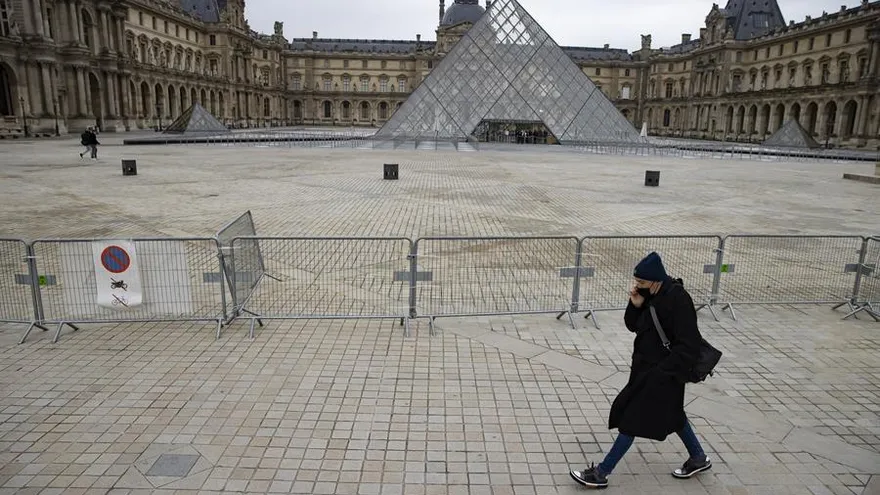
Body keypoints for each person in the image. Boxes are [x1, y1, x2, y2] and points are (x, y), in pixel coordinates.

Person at [570, 252, 711, 489]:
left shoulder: (678, 300)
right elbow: (633, 325)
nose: (638, 286)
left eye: (642, 283)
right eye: (637, 282)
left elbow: (689, 344)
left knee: (631, 420)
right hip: (644, 370)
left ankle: (601, 473)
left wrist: (662, 371)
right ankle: (698, 457)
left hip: (665, 374)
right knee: (675, 416)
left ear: (656, 280)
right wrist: (635, 306)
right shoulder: (648, 294)